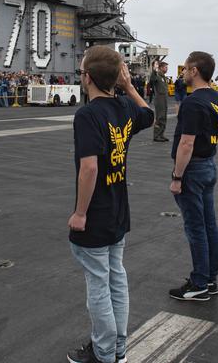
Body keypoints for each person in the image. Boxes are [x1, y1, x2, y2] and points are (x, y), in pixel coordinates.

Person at [67, 46, 153, 363]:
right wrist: (128, 87)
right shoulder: (124, 108)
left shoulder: (88, 115)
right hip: (118, 209)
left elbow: (89, 168)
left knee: (99, 286)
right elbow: (150, 115)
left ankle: (104, 353)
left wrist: (79, 213)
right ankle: (116, 350)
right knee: (116, 278)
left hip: (97, 214)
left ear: (87, 78)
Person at [168, 51, 218, 302]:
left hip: (194, 168)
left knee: (196, 228)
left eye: (186, 68)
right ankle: (210, 279)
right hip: (209, 164)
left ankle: (199, 283)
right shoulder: (215, 97)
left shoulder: (192, 103)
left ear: (195, 71)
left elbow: (186, 144)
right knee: (209, 225)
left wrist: (177, 177)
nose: (182, 72)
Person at [148, 61, 169, 142]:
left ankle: (161, 134)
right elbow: (152, 79)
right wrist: (154, 69)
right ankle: (156, 135)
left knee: (164, 117)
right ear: (160, 68)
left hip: (164, 98)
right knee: (160, 117)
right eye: (165, 67)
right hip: (159, 98)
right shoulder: (157, 76)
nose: (166, 69)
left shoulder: (163, 77)